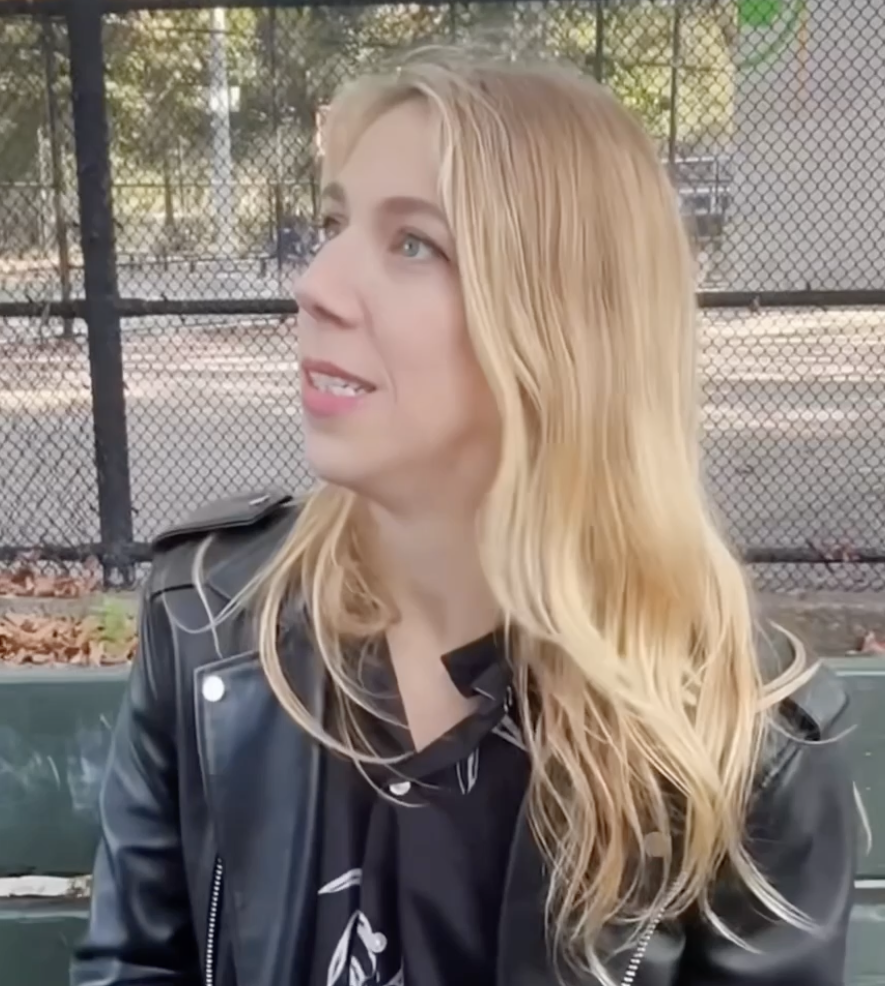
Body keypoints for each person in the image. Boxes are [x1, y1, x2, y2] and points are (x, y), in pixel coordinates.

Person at [72, 49, 858, 986]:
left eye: (414, 244)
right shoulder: (208, 622)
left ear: (564, 327)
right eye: (333, 223)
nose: (316, 284)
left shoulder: (735, 741)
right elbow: (132, 967)